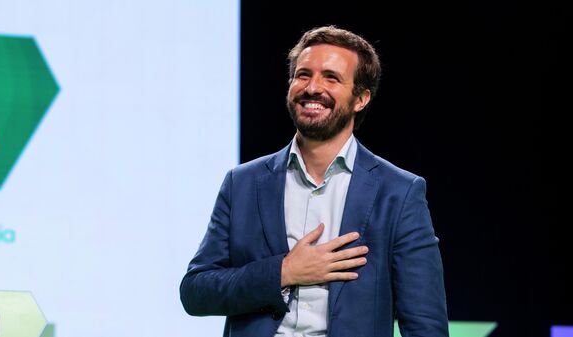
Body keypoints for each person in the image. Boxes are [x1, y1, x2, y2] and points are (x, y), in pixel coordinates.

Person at [180, 25, 448, 337]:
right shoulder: (242, 183)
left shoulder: (398, 193)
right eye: (303, 74)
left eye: (331, 77)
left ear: (361, 98)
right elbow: (196, 291)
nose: (312, 87)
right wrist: (284, 271)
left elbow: (425, 326)